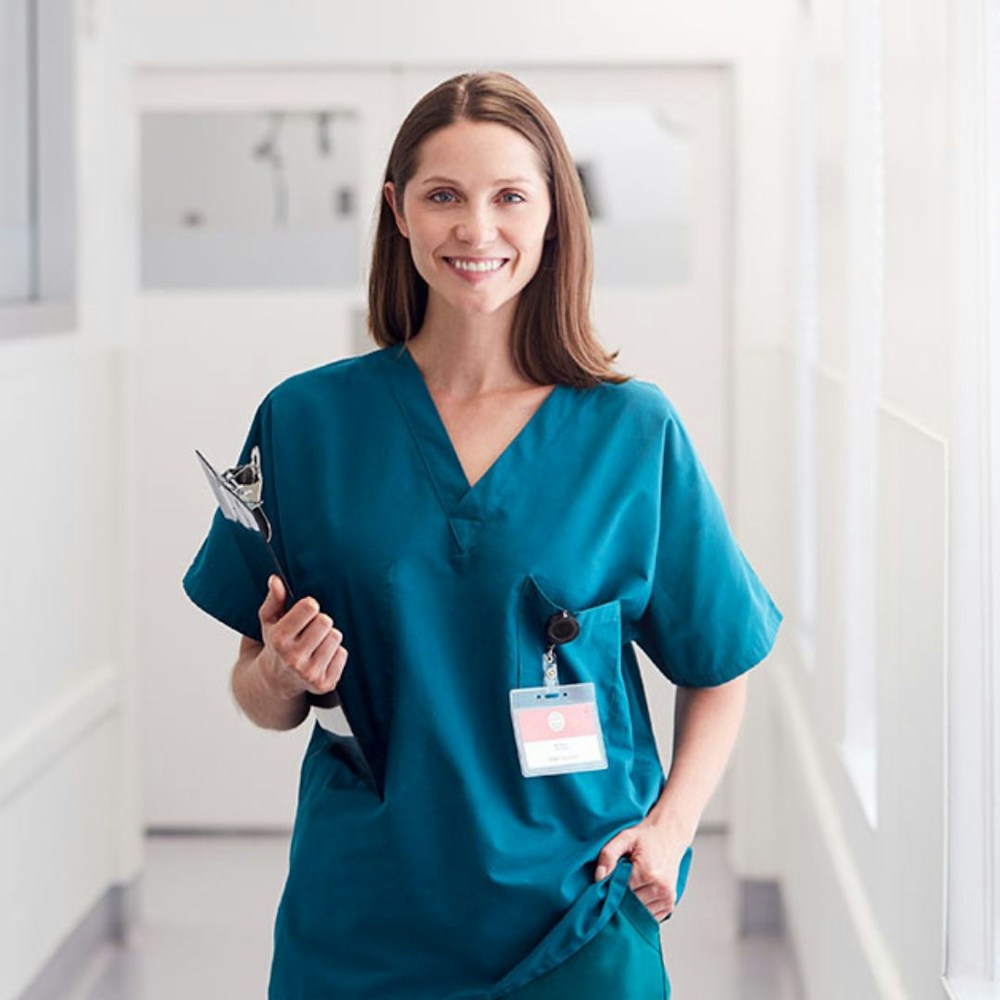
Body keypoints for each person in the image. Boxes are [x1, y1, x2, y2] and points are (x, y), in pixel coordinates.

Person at [183, 70, 782, 1000]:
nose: (476, 229)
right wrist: (279, 673)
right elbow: (259, 692)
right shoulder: (307, 422)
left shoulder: (631, 432)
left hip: (576, 913)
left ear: (553, 214)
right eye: (443, 197)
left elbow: (721, 664)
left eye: (510, 196)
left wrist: (670, 829)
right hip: (366, 924)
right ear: (399, 211)